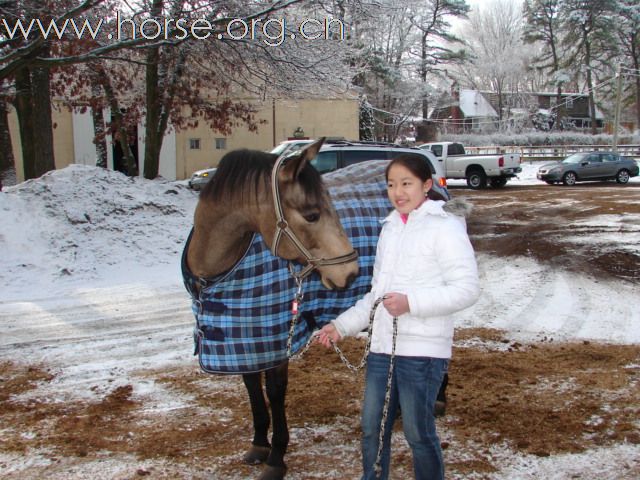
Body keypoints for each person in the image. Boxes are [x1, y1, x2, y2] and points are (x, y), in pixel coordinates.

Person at [316, 154, 480, 480]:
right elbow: (376, 296)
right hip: (382, 349)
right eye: (391, 184)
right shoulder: (390, 227)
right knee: (372, 430)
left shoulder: (444, 228)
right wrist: (340, 326)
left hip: (422, 352)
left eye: (406, 183)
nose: (398, 192)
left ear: (427, 186)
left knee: (419, 434)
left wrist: (411, 303)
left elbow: (467, 289)